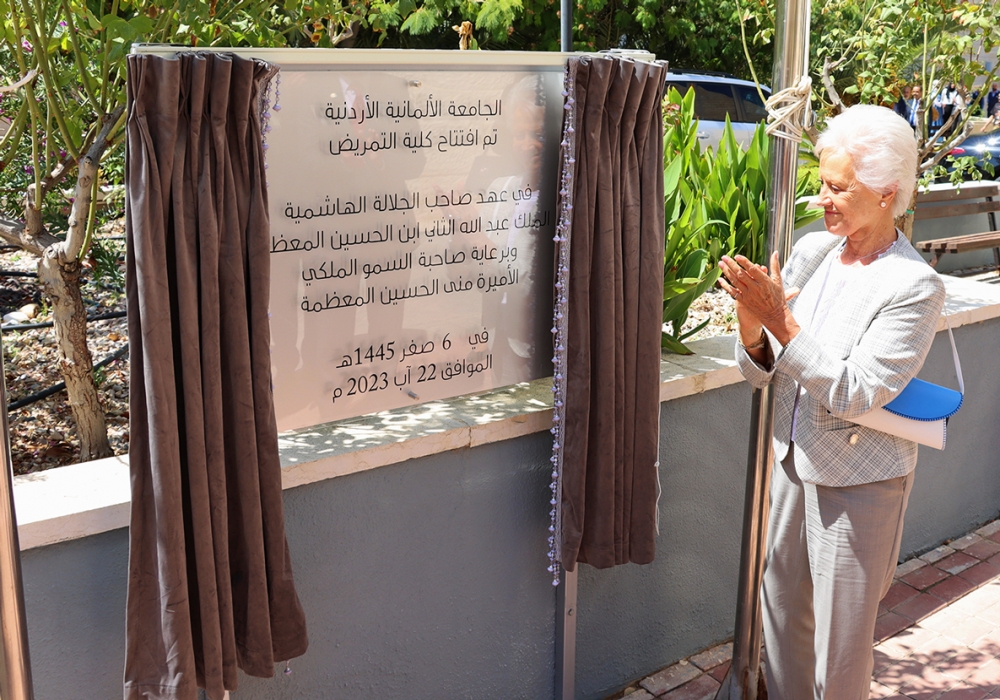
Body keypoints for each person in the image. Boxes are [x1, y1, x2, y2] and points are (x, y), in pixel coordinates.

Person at [718, 104, 945, 700]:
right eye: (822, 183)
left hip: (859, 483)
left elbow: (856, 391)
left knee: (839, 649)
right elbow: (764, 370)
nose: (822, 199)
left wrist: (780, 322)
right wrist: (751, 325)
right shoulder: (813, 251)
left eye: (839, 188)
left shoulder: (913, 285)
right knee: (780, 620)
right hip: (792, 463)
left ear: (886, 192)